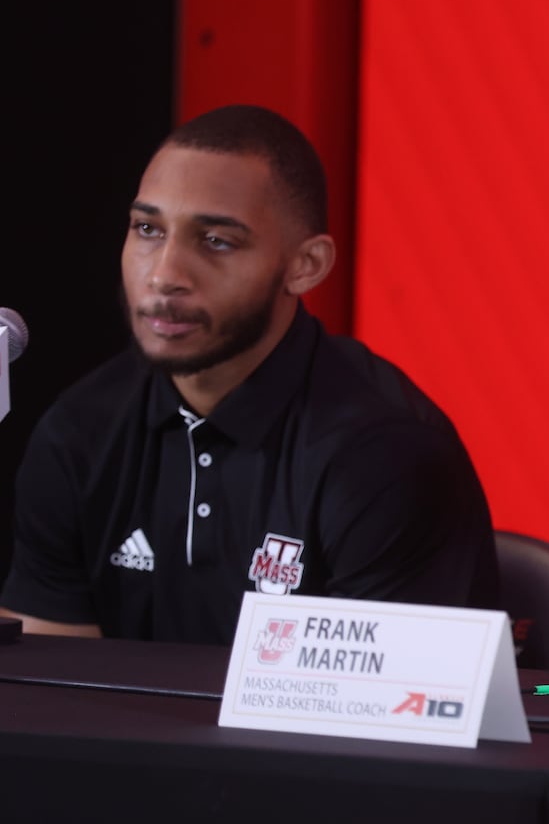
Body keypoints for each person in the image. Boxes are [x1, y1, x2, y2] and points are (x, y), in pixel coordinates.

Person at [0, 105, 498, 644]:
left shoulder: (386, 450)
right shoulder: (78, 431)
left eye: (216, 240)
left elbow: (382, 708)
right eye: (148, 229)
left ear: (306, 265)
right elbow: (52, 688)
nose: (165, 273)